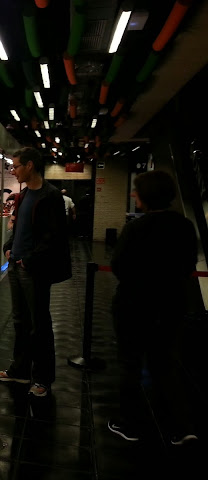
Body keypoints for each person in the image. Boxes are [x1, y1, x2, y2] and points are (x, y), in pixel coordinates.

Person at [107, 170, 198, 445]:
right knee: (165, 363)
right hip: (171, 304)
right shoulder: (184, 225)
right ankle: (180, 427)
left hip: (135, 305)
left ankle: (130, 424)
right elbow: (188, 264)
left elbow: (118, 265)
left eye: (136, 191)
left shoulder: (137, 228)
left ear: (145, 195)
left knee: (130, 363)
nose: (133, 195)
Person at [0, 147, 71, 397]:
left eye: (16, 166)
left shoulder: (50, 196)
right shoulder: (24, 194)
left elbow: (54, 237)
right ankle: (20, 370)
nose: (13, 170)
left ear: (29, 166)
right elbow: (18, 227)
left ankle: (43, 378)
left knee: (40, 324)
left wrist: (29, 260)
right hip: (16, 266)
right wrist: (8, 247)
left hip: (34, 269)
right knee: (21, 322)